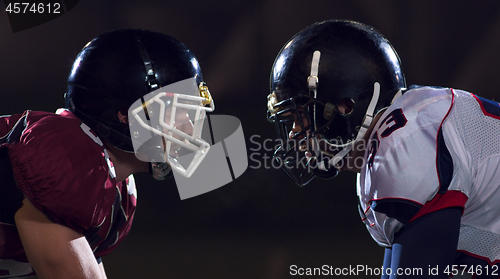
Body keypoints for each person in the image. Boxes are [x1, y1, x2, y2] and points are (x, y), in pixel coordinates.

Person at [267, 19, 500, 278]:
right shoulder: (405, 131)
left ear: (346, 106)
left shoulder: (402, 151)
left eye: (302, 115)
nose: (294, 131)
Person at [0, 29, 214, 278]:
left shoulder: (117, 189)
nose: (189, 127)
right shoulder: (71, 158)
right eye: (177, 111)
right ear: (125, 115)